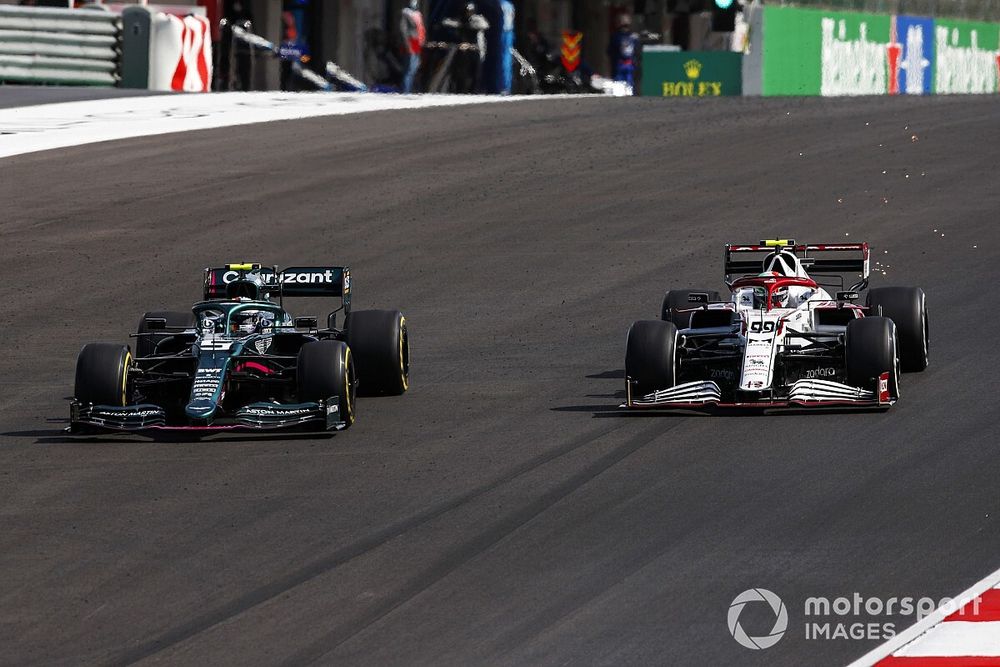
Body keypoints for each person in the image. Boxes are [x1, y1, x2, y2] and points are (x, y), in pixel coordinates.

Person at [400, 0, 426, 94]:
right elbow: (403, 29)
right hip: (411, 41)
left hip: (417, 42)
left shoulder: (418, 14)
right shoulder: (406, 13)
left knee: (416, 66)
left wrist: (422, 41)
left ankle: (413, 89)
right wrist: (407, 44)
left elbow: (421, 28)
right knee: (410, 67)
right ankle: (406, 90)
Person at [608, 14, 639, 89]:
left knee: (624, 86)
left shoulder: (617, 36)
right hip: (624, 64)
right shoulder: (633, 36)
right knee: (624, 85)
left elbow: (609, 51)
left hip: (624, 64)